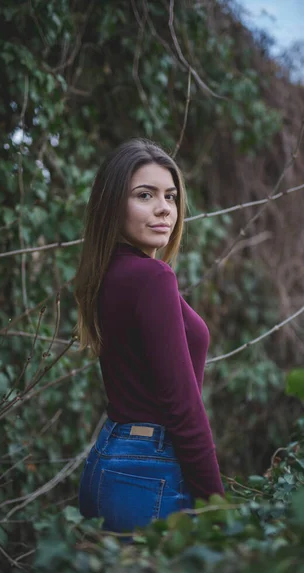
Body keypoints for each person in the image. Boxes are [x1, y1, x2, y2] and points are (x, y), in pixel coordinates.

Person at [74, 138, 224, 534]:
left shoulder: (107, 273)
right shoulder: (151, 279)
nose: (165, 209)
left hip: (110, 457)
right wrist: (217, 508)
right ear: (112, 204)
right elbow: (183, 406)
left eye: (171, 196)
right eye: (145, 195)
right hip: (148, 471)